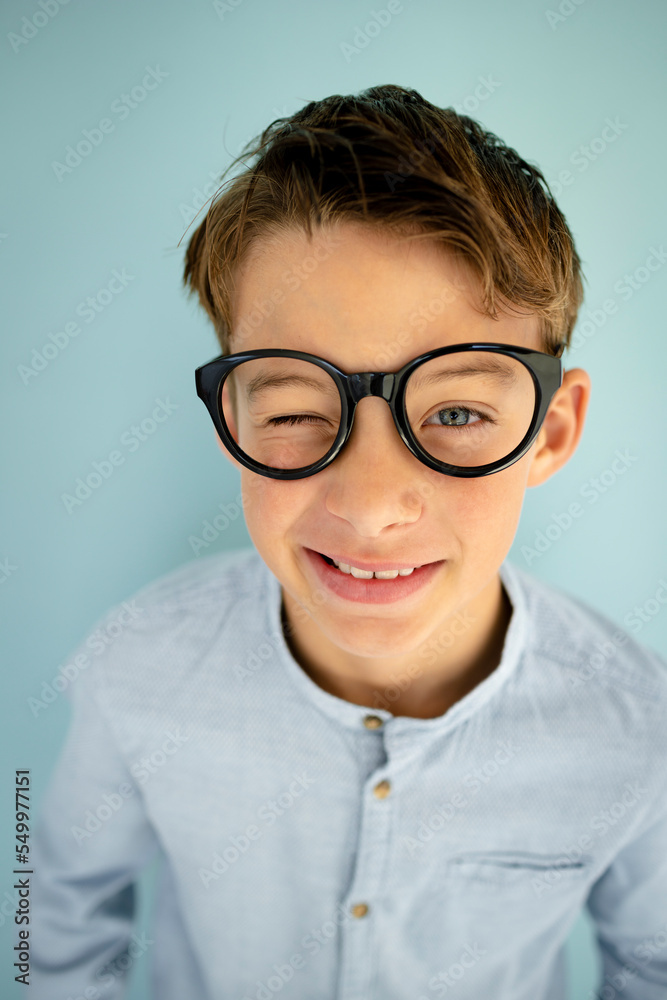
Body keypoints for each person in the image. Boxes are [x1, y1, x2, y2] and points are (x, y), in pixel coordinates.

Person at [31, 84, 667, 1000]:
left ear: (552, 434)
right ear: (230, 422)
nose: (370, 508)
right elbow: (45, 904)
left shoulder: (635, 730)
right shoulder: (134, 669)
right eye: (294, 409)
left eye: (454, 411)